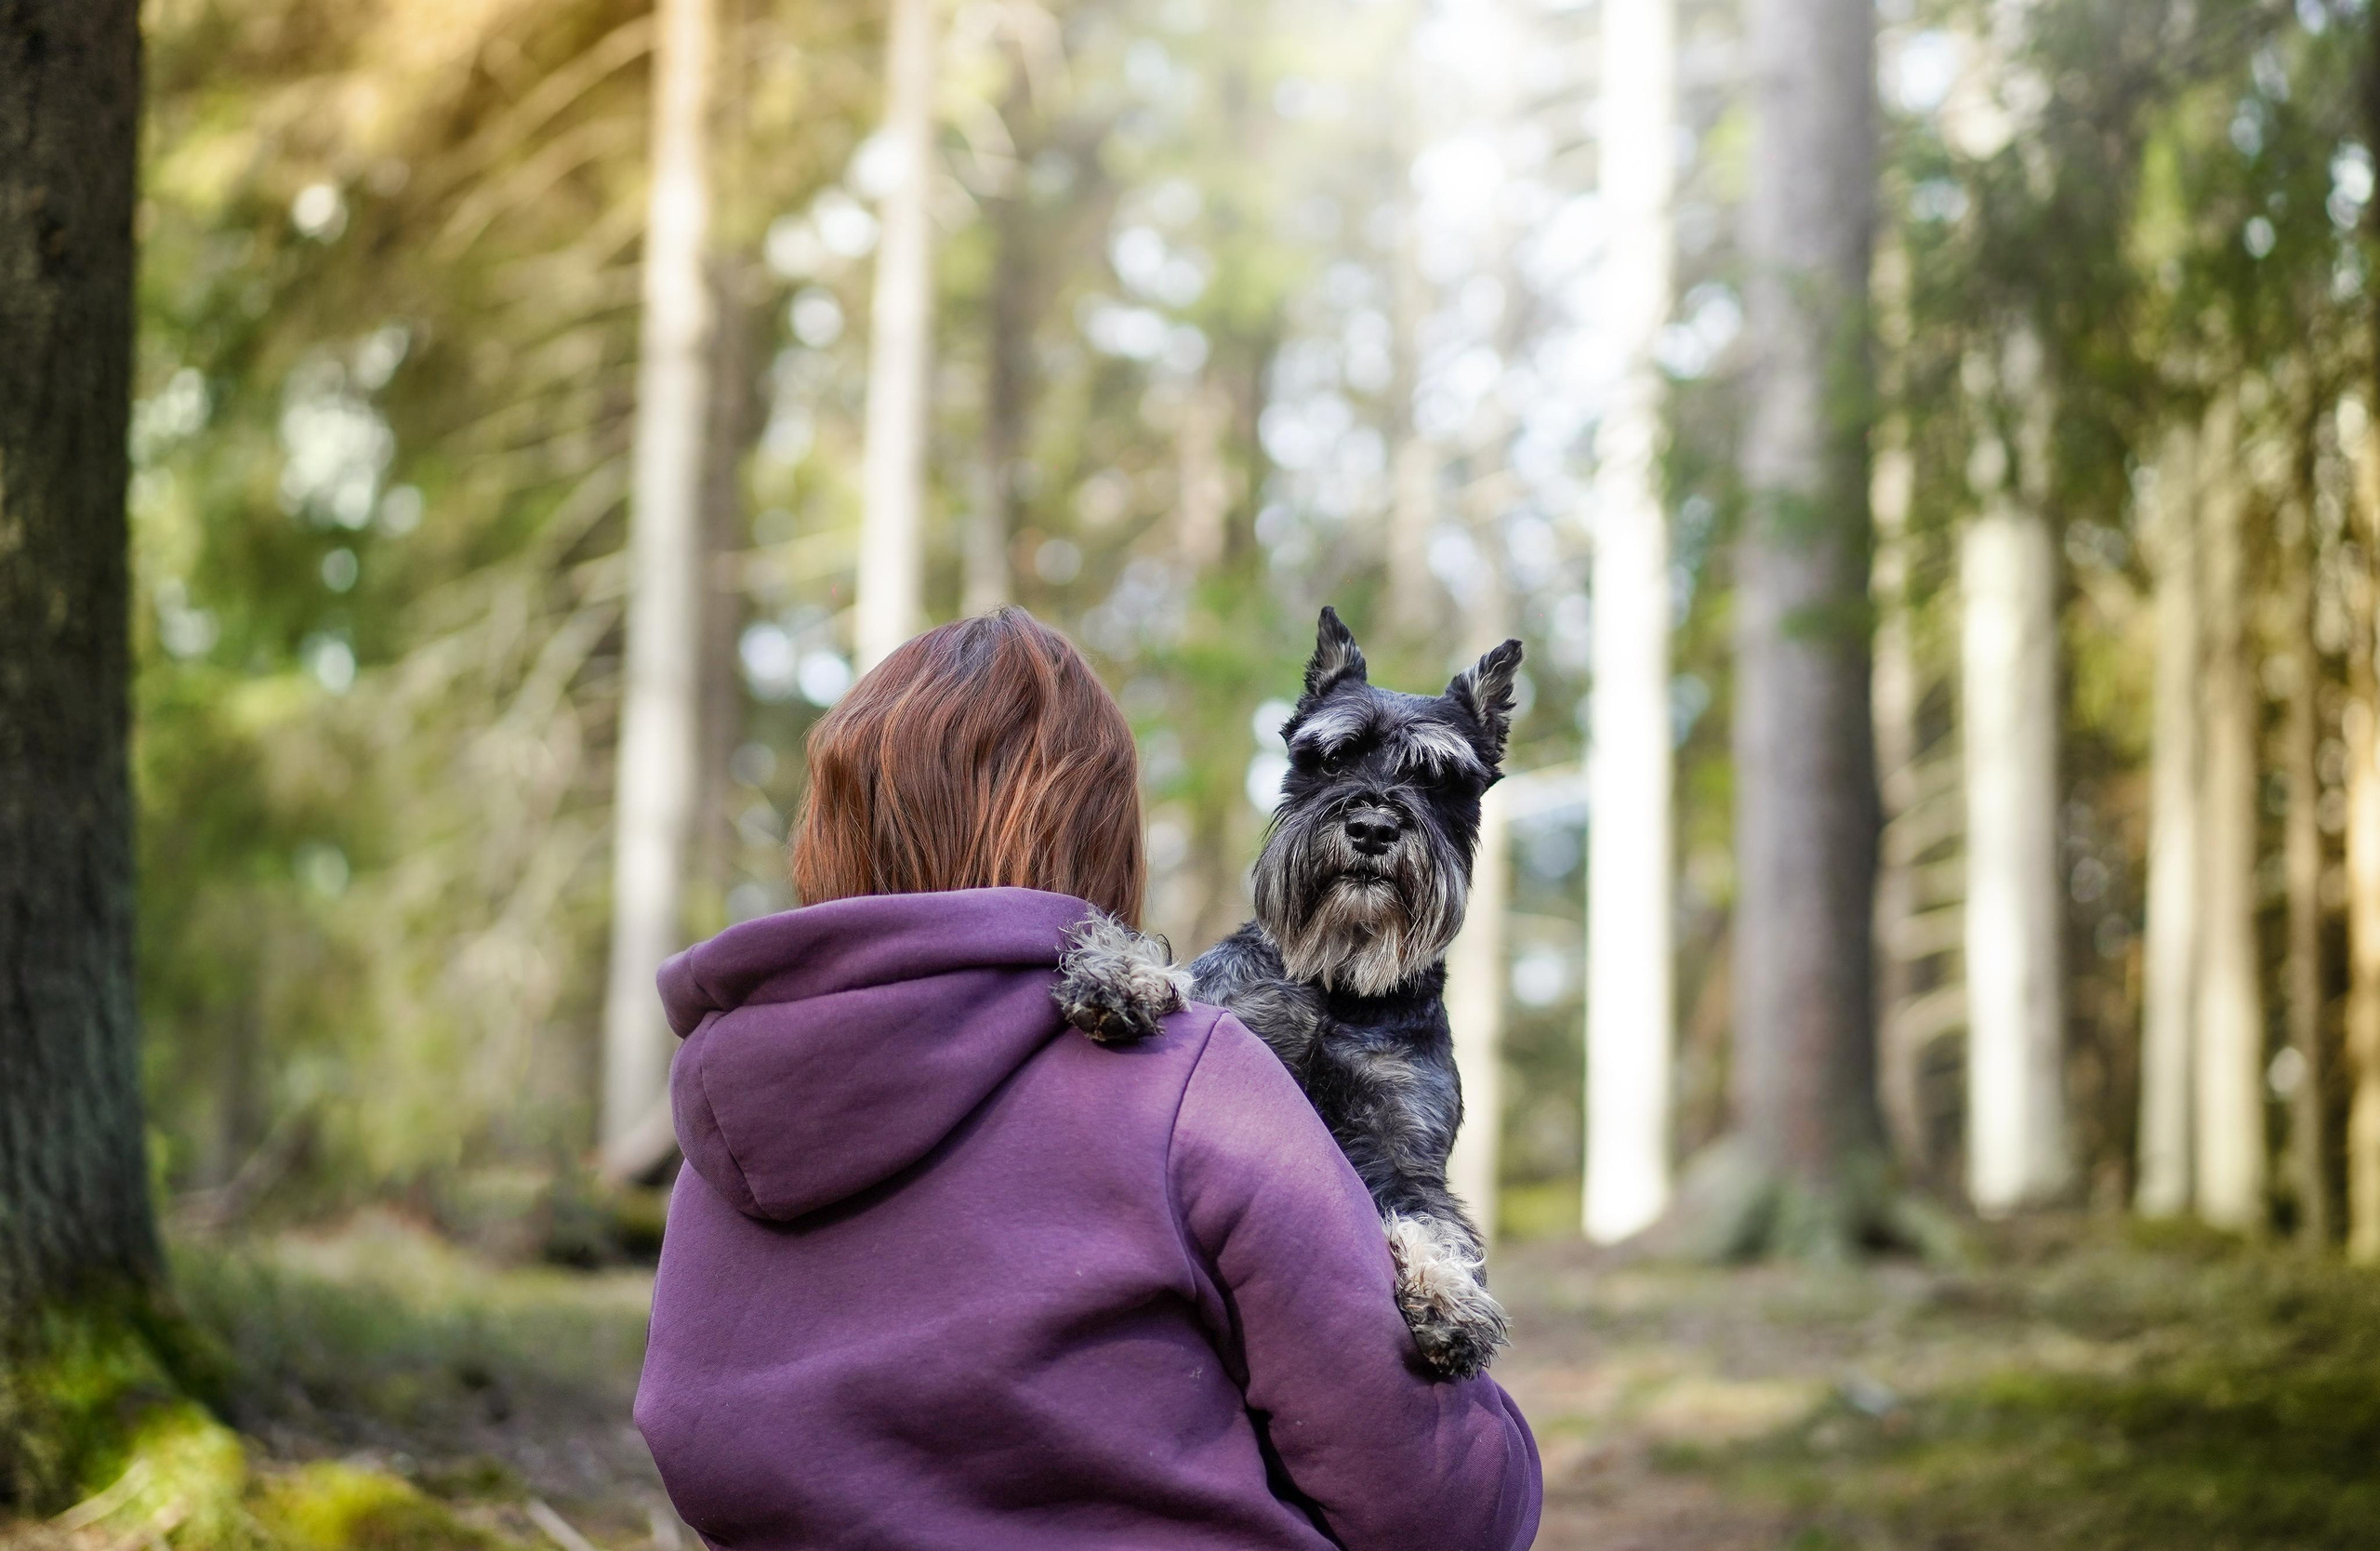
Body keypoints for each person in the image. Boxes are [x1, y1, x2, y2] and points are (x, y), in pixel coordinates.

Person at [634, 608, 1541, 1551]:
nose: (1371, 811)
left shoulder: (733, 1100)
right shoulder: (1190, 1083)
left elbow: (686, 1430)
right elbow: (1443, 1513)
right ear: (1107, 831)